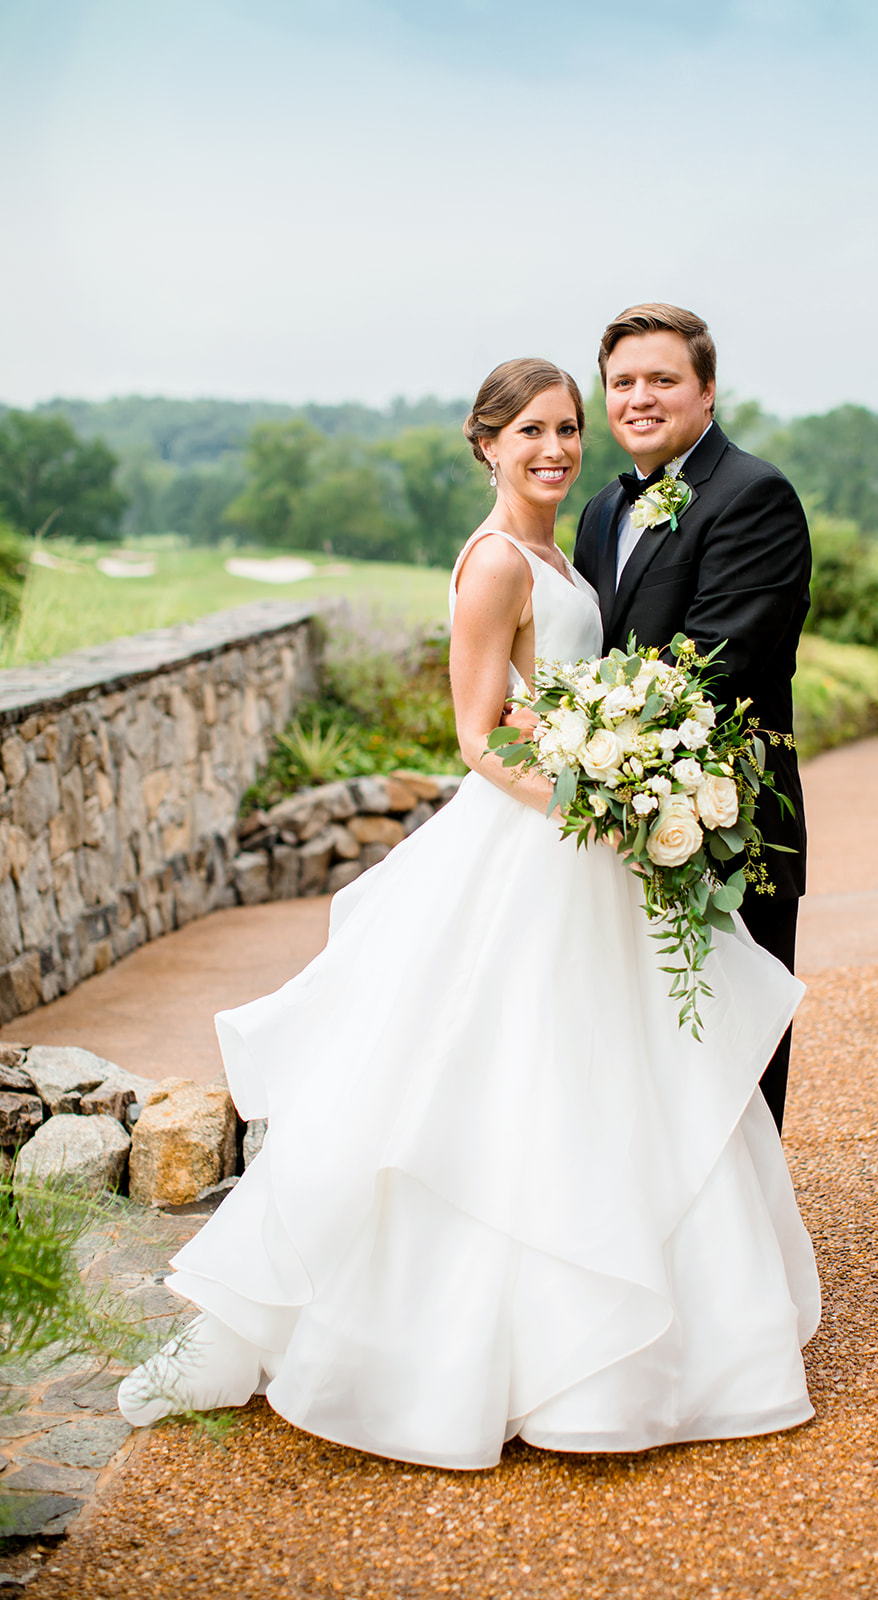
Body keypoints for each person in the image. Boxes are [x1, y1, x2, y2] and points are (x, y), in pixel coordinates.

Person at [118, 358, 819, 1469]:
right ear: (484, 441)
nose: (555, 448)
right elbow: (475, 734)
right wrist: (582, 807)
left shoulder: (569, 545)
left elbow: (588, 684)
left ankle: (641, 1344)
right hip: (535, 842)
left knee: (598, 1077)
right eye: (531, 431)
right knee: (478, 1077)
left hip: (590, 840)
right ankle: (435, 1351)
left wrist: (617, 778)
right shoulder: (496, 561)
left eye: (567, 430)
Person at [573, 304, 811, 1133]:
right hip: (617, 816)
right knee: (635, 1051)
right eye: (621, 382)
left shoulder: (754, 496)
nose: (639, 397)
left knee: (727, 1050)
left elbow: (720, 664)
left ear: (706, 391)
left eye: (662, 380)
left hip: (726, 819)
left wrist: (595, 738)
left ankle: (744, 1255)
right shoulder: (602, 509)